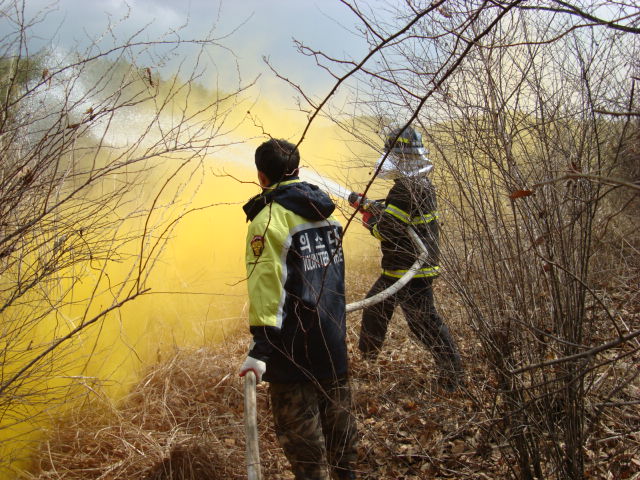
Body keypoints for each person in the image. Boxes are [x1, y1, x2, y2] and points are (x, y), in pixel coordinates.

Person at [239, 138, 358, 480]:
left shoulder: (267, 222)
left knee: (307, 457)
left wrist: (260, 350)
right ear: (298, 169)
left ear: (262, 177)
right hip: (332, 342)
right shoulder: (327, 216)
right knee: (342, 450)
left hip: (292, 353)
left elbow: (268, 288)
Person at [351, 124, 464, 392]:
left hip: (412, 270)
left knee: (424, 323)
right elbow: (398, 216)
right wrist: (370, 205)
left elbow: (389, 229)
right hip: (400, 267)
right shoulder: (417, 184)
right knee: (375, 309)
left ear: (399, 157)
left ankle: (453, 375)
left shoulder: (406, 188)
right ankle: (367, 363)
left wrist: (369, 220)